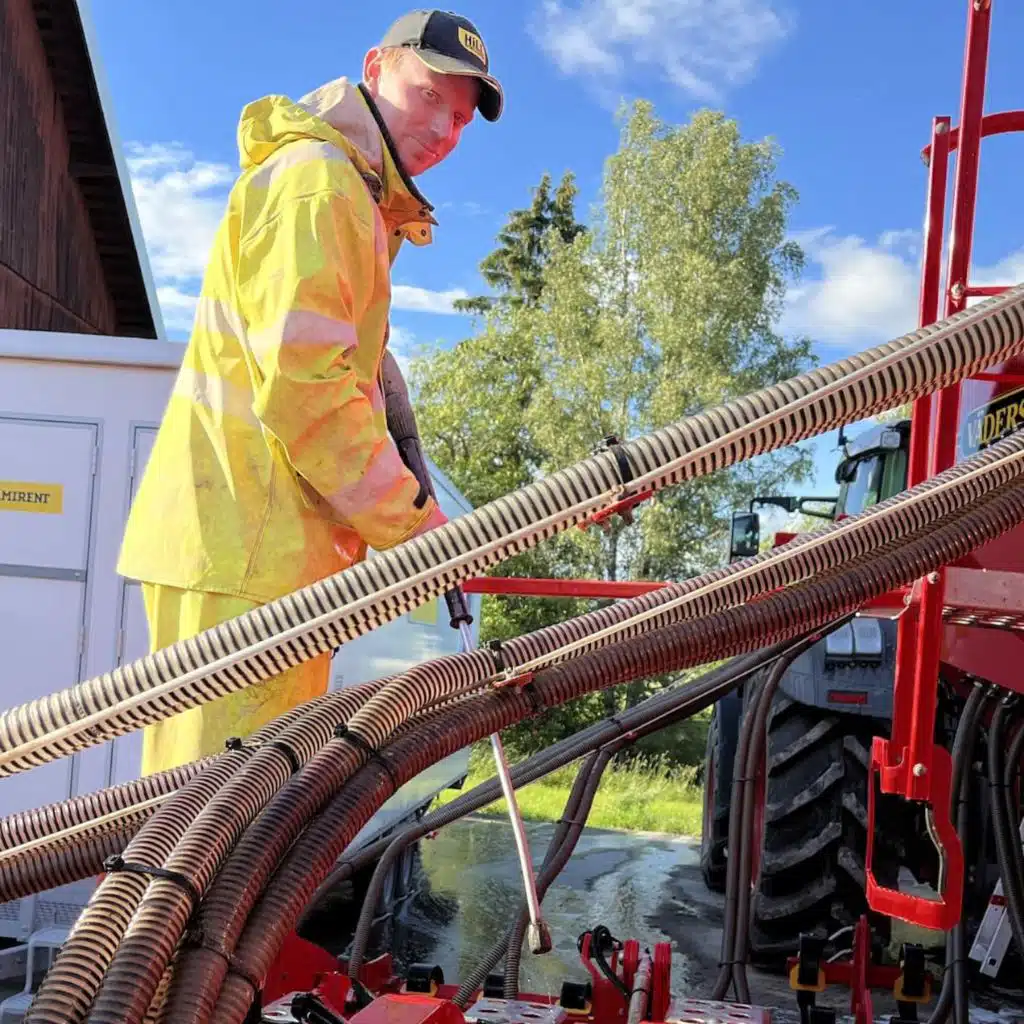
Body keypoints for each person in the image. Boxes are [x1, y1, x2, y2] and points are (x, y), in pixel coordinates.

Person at [116, 10, 503, 776]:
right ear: (376, 65)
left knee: (237, 823)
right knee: (208, 834)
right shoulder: (319, 185)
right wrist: (414, 525)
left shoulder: (352, 198)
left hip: (263, 554)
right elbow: (304, 388)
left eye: (460, 119)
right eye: (430, 96)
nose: (443, 130)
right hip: (247, 553)